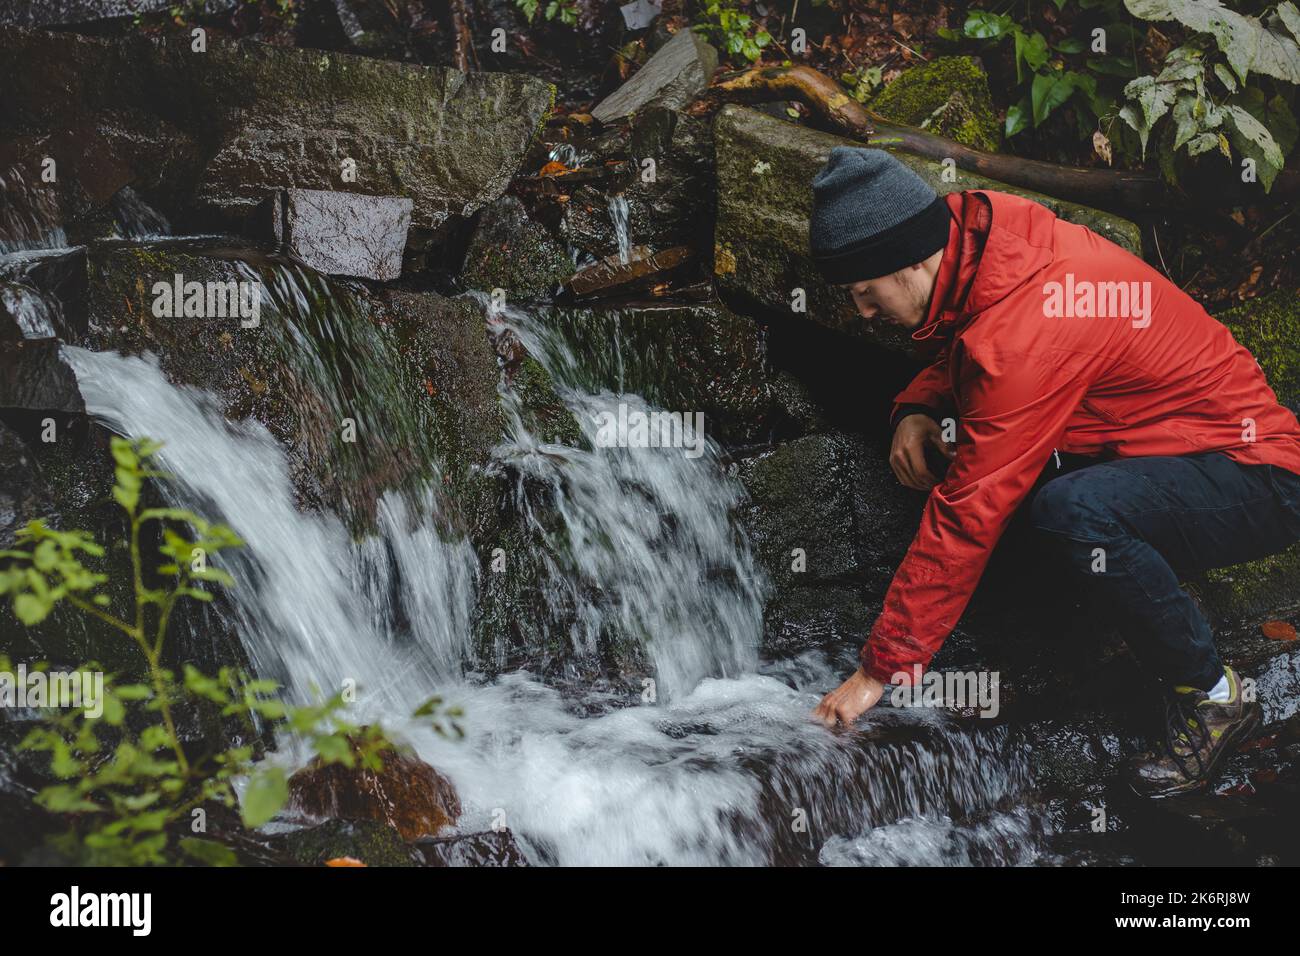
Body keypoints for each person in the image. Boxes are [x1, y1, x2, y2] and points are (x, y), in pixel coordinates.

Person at [806, 146, 1300, 798]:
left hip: (1254, 474)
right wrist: (919, 404)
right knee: (1032, 485)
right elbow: (972, 333)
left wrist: (878, 671)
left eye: (866, 294)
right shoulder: (983, 235)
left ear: (916, 262)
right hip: (1161, 446)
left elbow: (968, 512)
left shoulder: (1033, 327)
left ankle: (1215, 695)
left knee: (1072, 512)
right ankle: (1089, 630)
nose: (864, 314)